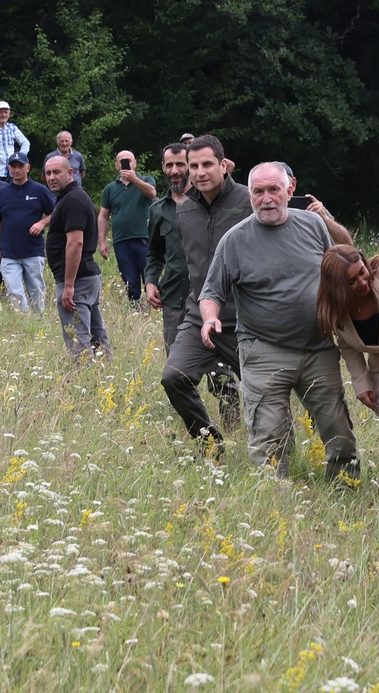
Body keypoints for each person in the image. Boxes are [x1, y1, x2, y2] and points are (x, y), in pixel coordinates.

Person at [197, 162, 358, 479]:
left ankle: (345, 488)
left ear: (290, 189)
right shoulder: (235, 240)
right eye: (258, 191)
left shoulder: (313, 225)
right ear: (250, 195)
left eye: (273, 189)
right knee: (268, 436)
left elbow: (342, 263)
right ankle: (274, 496)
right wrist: (210, 319)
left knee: (338, 430)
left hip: (318, 347)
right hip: (264, 350)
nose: (266, 198)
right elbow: (211, 292)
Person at [162, 135, 251, 447]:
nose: (200, 172)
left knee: (266, 391)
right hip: (198, 317)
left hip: (244, 322)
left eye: (207, 164)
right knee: (173, 377)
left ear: (223, 165)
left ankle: (279, 451)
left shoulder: (249, 201)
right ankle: (210, 444)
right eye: (194, 166)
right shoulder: (184, 209)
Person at [316, 244, 379, 431]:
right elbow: (348, 346)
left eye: (362, 272)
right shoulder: (336, 312)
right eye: (351, 282)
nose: (362, 282)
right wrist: (362, 384)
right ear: (337, 288)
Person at [42, 151, 106, 356]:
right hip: (84, 275)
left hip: (77, 280)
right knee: (96, 336)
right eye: (48, 173)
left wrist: (69, 285)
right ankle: (104, 370)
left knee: (78, 338)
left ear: (70, 173)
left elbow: (76, 242)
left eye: (56, 172)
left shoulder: (72, 200)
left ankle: (84, 373)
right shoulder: (70, 197)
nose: (51, 177)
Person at [0, 152, 54, 311]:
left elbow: (56, 213)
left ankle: (38, 321)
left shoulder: (40, 190)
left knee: (36, 291)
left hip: (33, 250)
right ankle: (23, 320)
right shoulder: (2, 193)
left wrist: (42, 223)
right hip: (9, 253)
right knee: (14, 292)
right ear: (9, 168)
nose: (17, 170)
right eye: (13, 166)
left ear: (28, 168)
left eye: (21, 166)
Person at [95, 150, 158, 307]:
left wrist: (134, 179)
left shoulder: (146, 180)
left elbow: (152, 193)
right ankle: (136, 308)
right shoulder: (110, 188)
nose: (126, 163)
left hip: (144, 237)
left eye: (129, 160)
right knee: (129, 279)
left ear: (135, 162)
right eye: (122, 161)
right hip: (121, 240)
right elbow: (103, 216)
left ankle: (155, 305)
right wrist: (102, 242)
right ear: (117, 165)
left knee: (149, 275)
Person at [144, 142, 191, 349]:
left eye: (180, 164)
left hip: (206, 299)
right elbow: (155, 253)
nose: (174, 171)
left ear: (190, 165)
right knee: (175, 363)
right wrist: (150, 282)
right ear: (163, 167)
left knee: (216, 365)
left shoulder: (206, 204)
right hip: (173, 299)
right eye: (169, 165)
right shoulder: (158, 210)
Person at [0, 102, 30, 167]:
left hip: (11, 168)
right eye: (0, 112)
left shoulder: (12, 128)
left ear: (9, 114)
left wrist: (19, 157)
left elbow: (25, 143)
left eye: (5, 112)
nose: (3, 115)